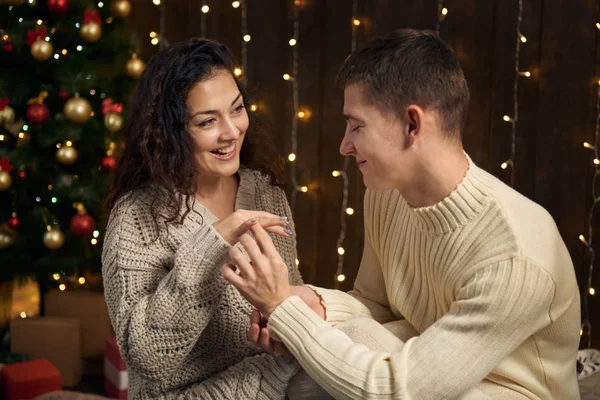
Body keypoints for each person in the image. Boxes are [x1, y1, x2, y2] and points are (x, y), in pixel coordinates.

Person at [225, 29, 581, 399]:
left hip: (507, 392)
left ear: (412, 124)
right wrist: (316, 305)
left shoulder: (514, 254)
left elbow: (399, 390)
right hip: (431, 364)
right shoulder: (386, 194)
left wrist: (282, 307)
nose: (345, 145)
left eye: (357, 126)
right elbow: (375, 305)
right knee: (322, 360)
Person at [101, 38, 304, 399]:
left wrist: (286, 326)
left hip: (271, 382)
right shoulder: (136, 218)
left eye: (237, 109)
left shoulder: (264, 192)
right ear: (170, 132)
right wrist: (212, 244)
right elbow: (147, 360)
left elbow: (289, 295)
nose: (232, 131)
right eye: (208, 120)